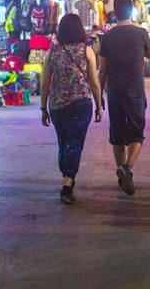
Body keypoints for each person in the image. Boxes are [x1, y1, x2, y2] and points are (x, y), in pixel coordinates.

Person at [40, 13, 104, 204]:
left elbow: (45, 83)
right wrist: (99, 105)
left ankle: (66, 177)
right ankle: (67, 184)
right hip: (80, 103)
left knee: (64, 141)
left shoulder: (52, 52)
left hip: (58, 105)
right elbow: (94, 81)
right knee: (75, 143)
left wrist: (43, 108)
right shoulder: (86, 51)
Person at [97, 0, 150, 196]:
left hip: (113, 91)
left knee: (117, 135)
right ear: (132, 10)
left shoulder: (108, 36)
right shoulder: (141, 32)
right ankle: (126, 169)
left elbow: (102, 70)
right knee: (137, 133)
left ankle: (121, 177)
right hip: (135, 90)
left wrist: (98, 96)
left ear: (115, 12)